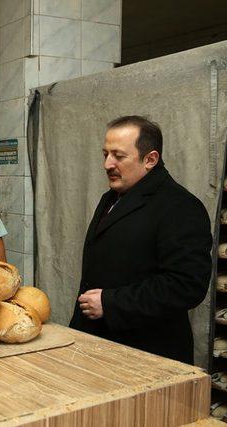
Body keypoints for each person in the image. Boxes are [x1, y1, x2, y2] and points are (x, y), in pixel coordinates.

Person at [69, 116, 212, 364]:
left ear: (150, 159)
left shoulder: (180, 207)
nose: (107, 164)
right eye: (105, 154)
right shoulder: (112, 198)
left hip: (146, 353)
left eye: (118, 155)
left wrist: (110, 303)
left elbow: (186, 285)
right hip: (99, 345)